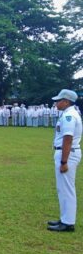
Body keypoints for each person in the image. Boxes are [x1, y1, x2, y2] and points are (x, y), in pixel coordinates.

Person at [47, 89, 82, 232]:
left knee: (66, 189)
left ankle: (68, 222)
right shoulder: (68, 114)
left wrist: (63, 162)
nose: (56, 103)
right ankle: (65, 219)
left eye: (58, 100)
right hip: (66, 153)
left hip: (67, 154)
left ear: (66, 101)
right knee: (63, 189)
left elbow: (68, 139)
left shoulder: (69, 116)